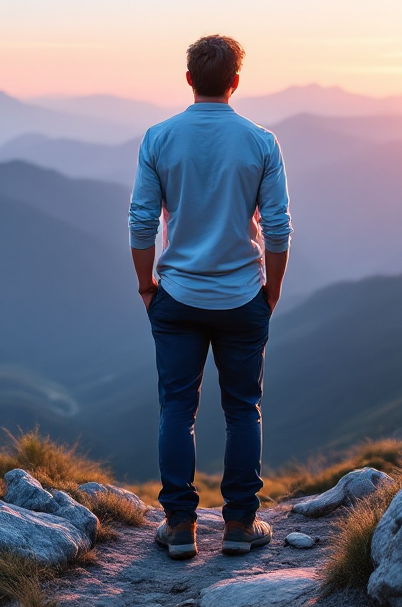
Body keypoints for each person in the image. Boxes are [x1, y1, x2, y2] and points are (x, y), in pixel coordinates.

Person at [129, 34, 292, 560]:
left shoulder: (159, 137)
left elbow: (140, 222)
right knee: (244, 408)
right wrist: (271, 290)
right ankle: (241, 524)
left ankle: (179, 525)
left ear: (189, 80)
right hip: (244, 295)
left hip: (177, 295)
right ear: (236, 82)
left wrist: (146, 286)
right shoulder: (260, 142)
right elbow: (279, 227)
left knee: (177, 407)